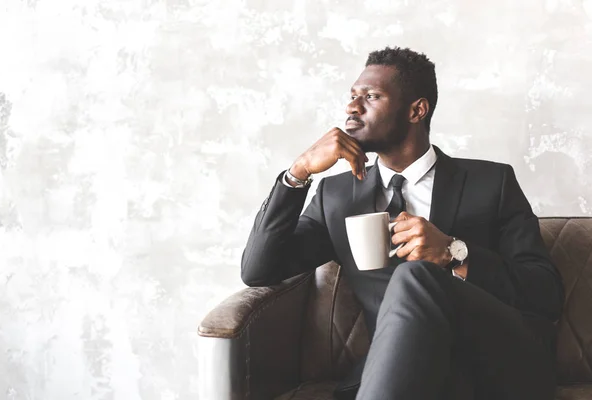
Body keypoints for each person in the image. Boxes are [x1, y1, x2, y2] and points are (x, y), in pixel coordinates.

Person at [240, 46, 564, 400]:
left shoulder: (491, 183)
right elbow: (260, 270)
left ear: (417, 110)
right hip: (402, 372)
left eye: (371, 96)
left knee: (415, 275)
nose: (352, 106)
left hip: (490, 362)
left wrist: (455, 253)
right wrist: (297, 172)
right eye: (352, 96)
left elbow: (544, 293)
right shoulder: (336, 196)